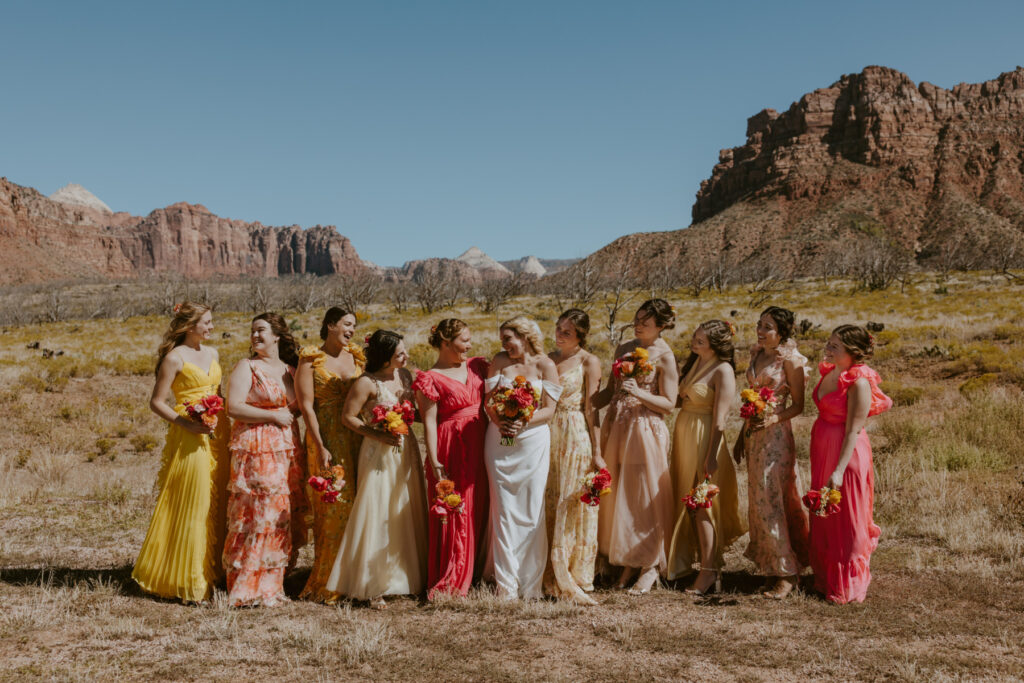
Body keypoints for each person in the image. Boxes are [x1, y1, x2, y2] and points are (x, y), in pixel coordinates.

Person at [132, 302, 231, 603]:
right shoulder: (174, 359)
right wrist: (185, 423)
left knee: (219, 500)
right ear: (190, 326)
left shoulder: (213, 354)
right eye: (207, 322)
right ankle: (191, 579)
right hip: (190, 434)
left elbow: (220, 392)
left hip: (218, 431)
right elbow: (157, 401)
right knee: (194, 499)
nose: (212, 327)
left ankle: (216, 571)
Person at [326, 330, 428, 608]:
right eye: (399, 354)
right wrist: (378, 434)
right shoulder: (366, 383)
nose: (406, 356)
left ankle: (405, 575)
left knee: (403, 507)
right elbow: (348, 417)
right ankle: (373, 583)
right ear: (384, 358)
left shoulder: (405, 377)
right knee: (378, 509)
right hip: (378, 452)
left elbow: (414, 412)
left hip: (406, 449)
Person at [222, 312, 307, 607]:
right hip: (256, 447)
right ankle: (247, 586)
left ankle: (274, 583)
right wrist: (273, 415)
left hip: (286, 448)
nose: (255, 336)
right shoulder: (247, 367)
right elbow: (232, 406)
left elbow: (296, 408)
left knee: (283, 514)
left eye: (261, 331)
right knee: (258, 514)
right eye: (253, 331)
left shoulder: (290, 370)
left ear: (277, 336)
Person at [595, 299, 679, 595]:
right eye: (638, 318)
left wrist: (639, 394)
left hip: (646, 429)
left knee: (645, 495)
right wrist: (581, 404)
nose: (639, 323)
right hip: (617, 425)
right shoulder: (623, 349)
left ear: (662, 325)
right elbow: (609, 390)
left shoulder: (665, 356)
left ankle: (651, 565)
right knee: (622, 493)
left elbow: (669, 404)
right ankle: (628, 557)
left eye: (646, 320)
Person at [809, 325, 892, 604]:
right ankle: (826, 575)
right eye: (829, 343)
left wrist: (838, 470)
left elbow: (854, 430)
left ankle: (849, 583)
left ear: (853, 352)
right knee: (826, 513)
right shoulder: (830, 371)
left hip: (847, 454)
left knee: (849, 517)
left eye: (835, 346)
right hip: (822, 448)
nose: (828, 348)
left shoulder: (859, 382)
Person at [483, 316, 561, 599]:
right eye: (502, 339)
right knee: (503, 510)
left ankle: (530, 585)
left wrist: (522, 421)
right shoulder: (499, 361)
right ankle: (506, 585)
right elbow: (488, 401)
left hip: (532, 442)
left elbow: (550, 409)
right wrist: (499, 419)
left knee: (531, 510)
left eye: (508, 338)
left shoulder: (545, 365)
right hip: (499, 441)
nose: (504, 345)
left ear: (525, 336)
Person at [734, 306, 810, 599]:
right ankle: (771, 567)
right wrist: (741, 437)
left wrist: (774, 419)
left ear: (782, 332)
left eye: (768, 327)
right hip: (754, 434)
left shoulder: (790, 360)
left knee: (773, 498)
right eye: (759, 324)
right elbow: (751, 398)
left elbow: (799, 405)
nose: (761, 331)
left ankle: (788, 573)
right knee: (758, 500)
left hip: (776, 435)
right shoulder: (756, 354)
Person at [412, 319, 489, 599]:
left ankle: (478, 568)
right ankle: (453, 575)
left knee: (480, 503)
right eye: (463, 340)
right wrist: (434, 460)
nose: (469, 345)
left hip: (482, 441)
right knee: (456, 508)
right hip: (450, 445)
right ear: (445, 342)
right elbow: (429, 423)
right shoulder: (430, 378)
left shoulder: (477, 366)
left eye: (469, 340)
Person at [667, 320, 746, 595]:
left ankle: (709, 571)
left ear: (716, 345)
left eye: (700, 340)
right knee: (685, 501)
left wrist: (711, 456)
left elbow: (721, 420)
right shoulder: (694, 363)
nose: (694, 342)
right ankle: (687, 561)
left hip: (706, 439)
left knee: (703, 504)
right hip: (684, 436)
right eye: (695, 337)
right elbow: (679, 400)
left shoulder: (723, 370)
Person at [295, 307, 366, 603]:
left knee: (359, 504)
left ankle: (357, 577)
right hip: (324, 437)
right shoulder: (311, 359)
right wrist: (320, 444)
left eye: (354, 326)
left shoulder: (358, 356)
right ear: (330, 325)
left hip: (357, 436)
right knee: (332, 506)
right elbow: (306, 406)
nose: (351, 330)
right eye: (347, 324)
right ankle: (328, 579)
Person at [543, 309, 603, 606]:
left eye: (567, 331)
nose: (559, 334)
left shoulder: (589, 361)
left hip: (575, 431)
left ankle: (572, 572)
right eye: (558, 328)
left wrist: (598, 450)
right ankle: (546, 571)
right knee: (548, 498)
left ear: (580, 335)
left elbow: (592, 409)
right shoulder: (548, 359)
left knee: (571, 499)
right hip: (546, 433)